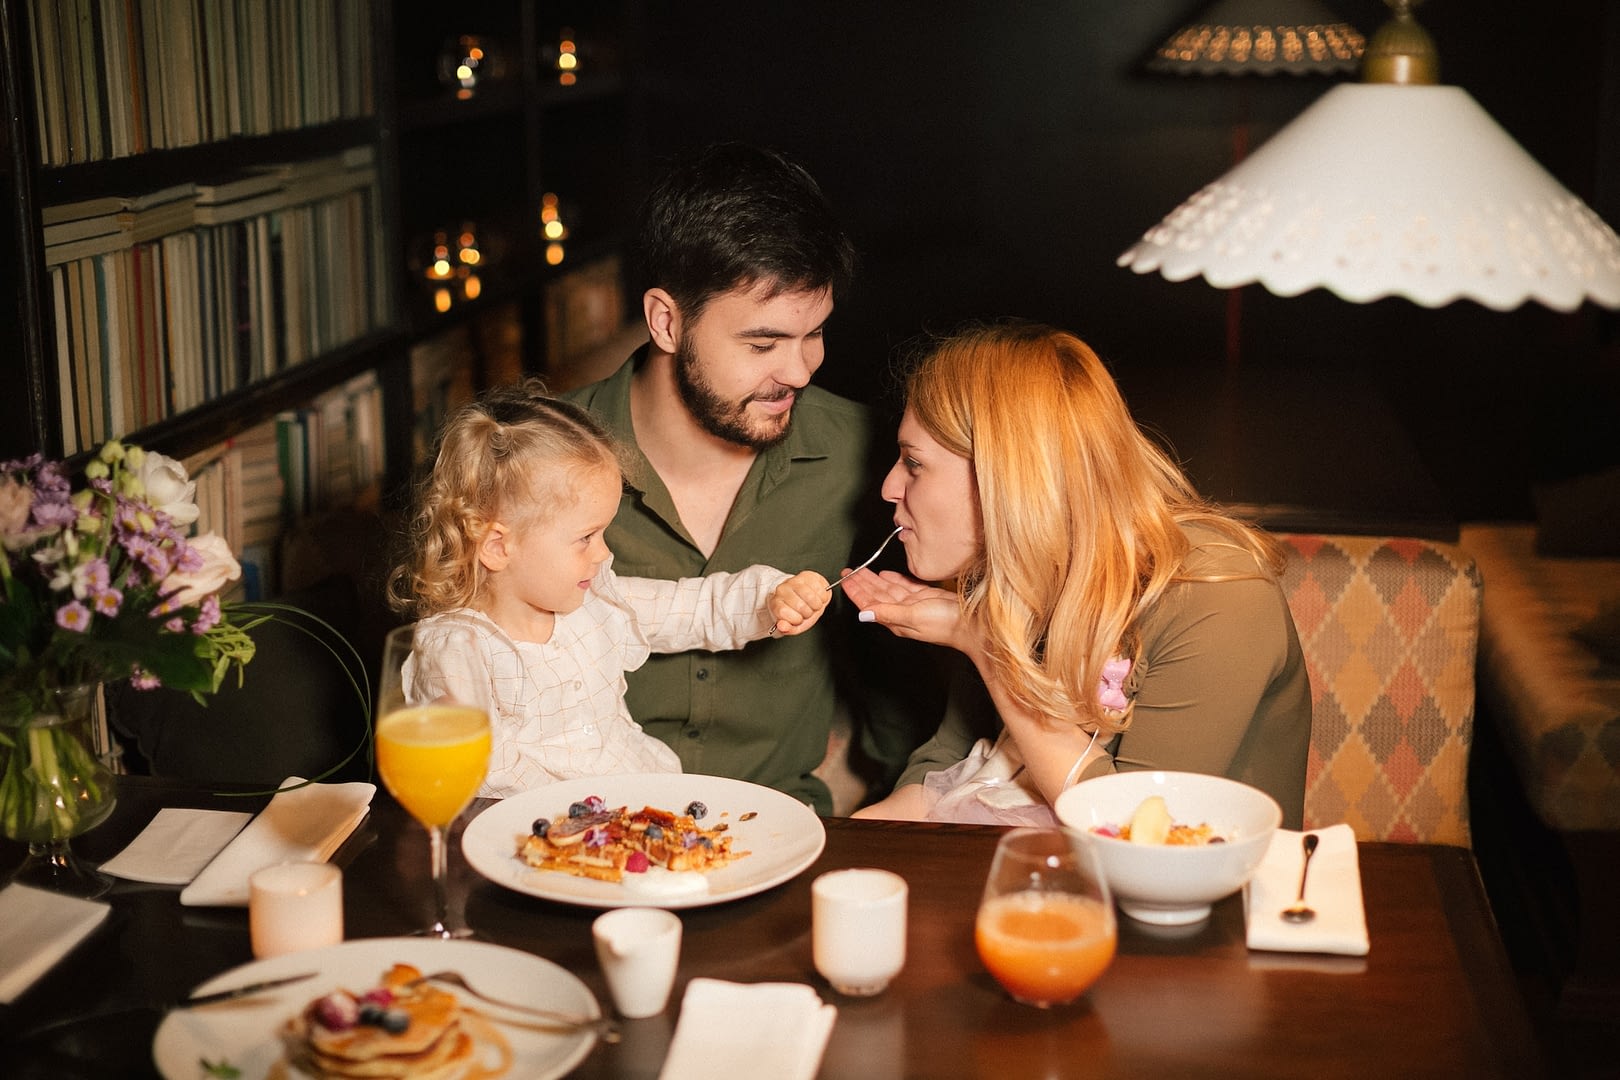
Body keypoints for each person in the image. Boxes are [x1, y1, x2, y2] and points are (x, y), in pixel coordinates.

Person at [841, 322, 1312, 829]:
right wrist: (846, 849)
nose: (889, 485)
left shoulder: (1218, 600)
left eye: (914, 463)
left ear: (1007, 474)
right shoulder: (1005, 569)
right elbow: (949, 761)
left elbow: (1135, 831)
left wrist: (986, 645)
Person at [564, 142, 907, 814]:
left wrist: (903, 804)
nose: (802, 371)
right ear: (666, 320)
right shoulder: (527, 465)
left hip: (784, 833)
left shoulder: (863, 456)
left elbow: (902, 676)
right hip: (583, 838)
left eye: (814, 334)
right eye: (762, 344)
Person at [386, 380, 831, 799]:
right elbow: (485, 767)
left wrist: (772, 597)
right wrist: (594, 811)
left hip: (648, 799)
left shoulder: (596, 599)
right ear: (498, 547)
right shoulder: (455, 646)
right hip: (546, 830)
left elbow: (693, 608)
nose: (602, 554)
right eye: (586, 537)